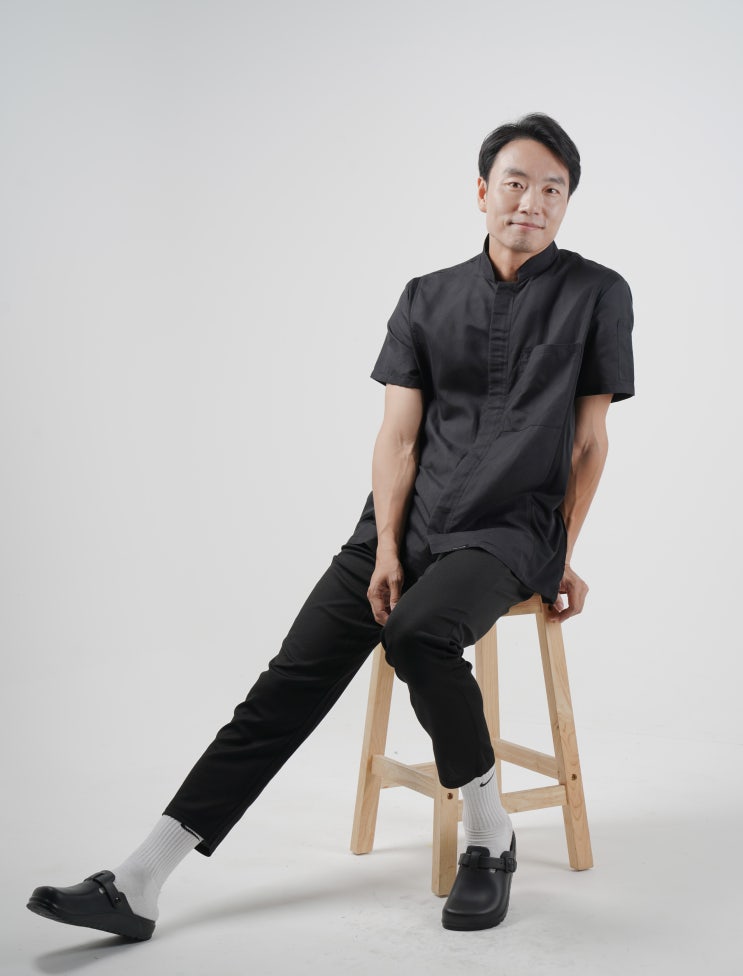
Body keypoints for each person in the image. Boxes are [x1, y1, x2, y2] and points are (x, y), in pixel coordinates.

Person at [26, 112, 635, 938]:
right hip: (404, 523)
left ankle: (489, 836)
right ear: (482, 191)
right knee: (284, 684)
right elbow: (399, 438)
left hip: (507, 529)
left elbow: (589, 441)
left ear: (566, 204)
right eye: (516, 183)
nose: (531, 202)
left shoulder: (598, 293)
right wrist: (384, 546)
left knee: (417, 634)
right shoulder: (424, 297)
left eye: (552, 190)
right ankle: (138, 882)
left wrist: (561, 549)